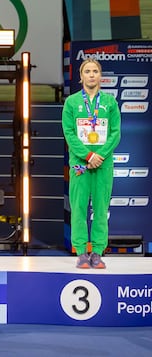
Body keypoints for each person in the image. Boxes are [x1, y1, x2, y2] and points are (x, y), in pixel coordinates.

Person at [62, 57, 121, 269]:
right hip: (80, 164)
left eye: (95, 71)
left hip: (103, 165)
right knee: (78, 208)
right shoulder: (72, 103)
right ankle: (81, 253)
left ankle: (97, 252)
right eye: (87, 71)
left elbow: (115, 133)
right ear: (81, 76)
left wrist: (100, 155)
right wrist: (88, 156)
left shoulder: (109, 103)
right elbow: (69, 133)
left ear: (100, 75)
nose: (91, 75)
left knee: (100, 208)